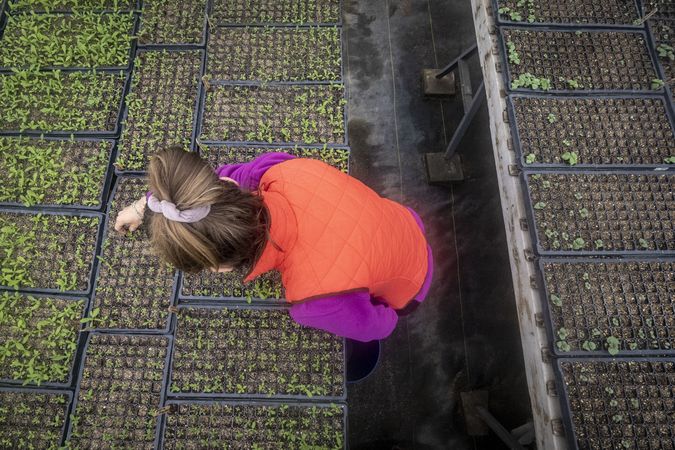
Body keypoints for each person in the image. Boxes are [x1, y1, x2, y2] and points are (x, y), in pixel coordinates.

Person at [115, 147, 433, 342]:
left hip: (413, 284)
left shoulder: (313, 299)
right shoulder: (280, 170)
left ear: (220, 267)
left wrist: (389, 310)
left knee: (394, 303)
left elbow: (378, 326)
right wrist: (145, 205)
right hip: (404, 220)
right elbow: (216, 187)